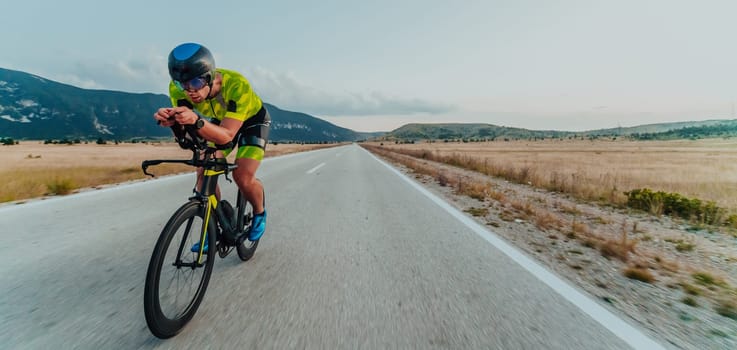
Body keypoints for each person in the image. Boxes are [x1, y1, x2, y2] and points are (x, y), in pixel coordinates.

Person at [153, 43, 270, 252]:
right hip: (221, 120)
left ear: (209, 76)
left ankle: (260, 213)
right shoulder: (178, 89)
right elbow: (188, 135)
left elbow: (226, 137)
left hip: (253, 122)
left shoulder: (236, 85)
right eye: (182, 85)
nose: (190, 92)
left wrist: (196, 121)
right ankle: (212, 228)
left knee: (242, 176)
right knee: (204, 169)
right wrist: (173, 124)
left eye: (196, 83)